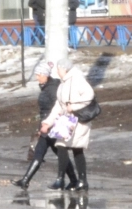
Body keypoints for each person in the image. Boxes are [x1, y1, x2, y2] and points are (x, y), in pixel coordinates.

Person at [11, 60, 78, 190]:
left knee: (58, 153)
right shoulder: (47, 87)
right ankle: (25, 180)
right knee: (40, 153)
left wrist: (49, 124)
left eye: (39, 74)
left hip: (53, 126)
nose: (37, 77)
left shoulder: (52, 88)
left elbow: (58, 107)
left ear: (45, 75)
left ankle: (73, 180)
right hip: (46, 126)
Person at [40, 58, 94, 192]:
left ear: (64, 69)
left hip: (79, 120)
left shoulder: (78, 80)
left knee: (74, 148)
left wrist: (74, 107)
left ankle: (76, 181)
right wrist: (48, 122)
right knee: (63, 146)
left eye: (58, 68)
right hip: (66, 121)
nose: (57, 71)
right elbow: (59, 105)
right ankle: (68, 180)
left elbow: (89, 95)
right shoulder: (63, 83)